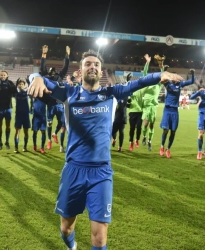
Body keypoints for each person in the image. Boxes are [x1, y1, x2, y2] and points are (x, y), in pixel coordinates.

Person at [27, 49, 183, 250]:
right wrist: (37, 77)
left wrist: (161, 75)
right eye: (88, 64)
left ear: (101, 72)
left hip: (101, 172)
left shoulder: (112, 93)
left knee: (99, 238)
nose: (92, 67)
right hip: (73, 169)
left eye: (96, 65)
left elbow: (140, 83)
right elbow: (37, 78)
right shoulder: (68, 93)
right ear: (81, 70)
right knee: (66, 228)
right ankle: (71, 246)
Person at [159, 68, 195, 158]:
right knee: (165, 130)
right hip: (167, 109)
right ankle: (162, 146)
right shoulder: (168, 83)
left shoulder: (180, 84)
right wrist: (169, 77)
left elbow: (192, 81)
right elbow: (161, 80)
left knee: (173, 131)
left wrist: (193, 74)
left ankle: (168, 149)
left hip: (175, 110)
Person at [40, 45, 70, 151]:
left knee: (61, 123)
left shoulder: (59, 77)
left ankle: (54, 134)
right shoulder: (46, 76)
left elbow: (65, 67)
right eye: (50, 70)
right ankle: (49, 140)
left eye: (54, 70)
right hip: (50, 104)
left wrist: (67, 55)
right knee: (49, 123)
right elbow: (42, 67)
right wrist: (44, 54)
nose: (52, 71)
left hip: (59, 104)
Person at [141, 54, 165, 151]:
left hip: (153, 107)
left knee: (151, 124)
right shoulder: (146, 82)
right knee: (145, 124)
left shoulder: (158, 85)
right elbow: (144, 73)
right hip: (146, 106)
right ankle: (144, 136)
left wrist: (161, 65)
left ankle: (149, 141)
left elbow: (163, 74)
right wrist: (147, 62)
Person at [0, 71, 17, 150]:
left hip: (8, 108)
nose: (2, 76)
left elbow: (15, 91)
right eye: (1, 75)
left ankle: (7, 141)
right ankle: (0, 142)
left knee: (8, 126)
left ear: (7, 76)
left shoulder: (10, 83)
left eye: (4, 75)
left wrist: (13, 86)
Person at [126, 73, 143, 151]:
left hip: (140, 111)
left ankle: (137, 140)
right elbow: (127, 88)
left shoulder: (141, 90)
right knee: (132, 128)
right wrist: (127, 80)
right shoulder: (131, 90)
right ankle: (131, 142)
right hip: (132, 111)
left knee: (139, 127)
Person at [13, 78, 31, 153]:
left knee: (26, 132)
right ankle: (16, 148)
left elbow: (31, 86)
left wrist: (28, 81)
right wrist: (17, 81)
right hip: (18, 115)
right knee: (17, 131)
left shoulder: (27, 92)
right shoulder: (16, 93)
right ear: (17, 85)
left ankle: (25, 147)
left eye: (22, 84)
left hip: (26, 115)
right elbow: (13, 88)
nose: (21, 85)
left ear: (24, 85)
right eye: (19, 84)